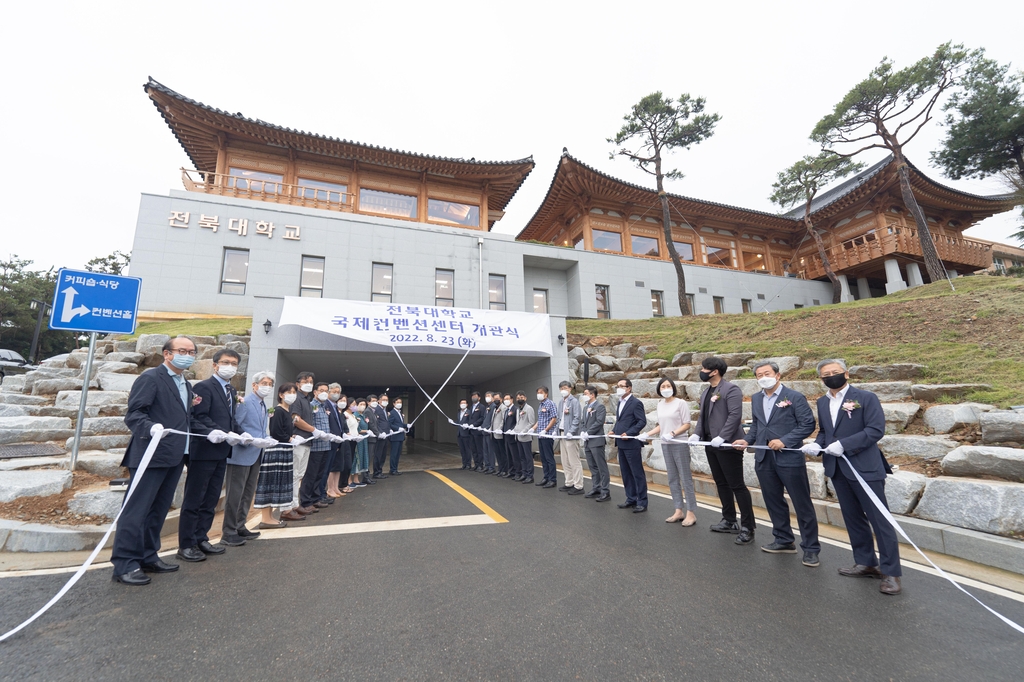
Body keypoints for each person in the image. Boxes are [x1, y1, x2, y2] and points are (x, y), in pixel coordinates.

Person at [804, 359, 902, 595]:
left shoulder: (865, 398)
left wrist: (845, 445)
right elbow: (827, 431)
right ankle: (866, 562)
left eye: (835, 372)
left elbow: (875, 430)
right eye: (826, 374)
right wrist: (817, 445)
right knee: (853, 518)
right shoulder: (822, 401)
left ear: (846, 374)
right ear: (821, 379)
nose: (831, 376)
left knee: (880, 521)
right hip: (838, 468)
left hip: (865, 467)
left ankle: (891, 573)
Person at [112, 336, 199, 585]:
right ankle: (125, 564)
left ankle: (148, 555)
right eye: (182, 350)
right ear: (167, 354)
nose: (188, 355)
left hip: (175, 456)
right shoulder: (151, 378)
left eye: (192, 351)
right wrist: (151, 428)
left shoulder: (186, 384)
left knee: (158, 510)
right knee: (136, 511)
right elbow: (135, 414)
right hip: (150, 455)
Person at [733, 360, 819, 565]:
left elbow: (808, 424)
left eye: (767, 373)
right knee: (772, 500)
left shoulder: (795, 397)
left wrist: (785, 441)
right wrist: (746, 440)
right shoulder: (756, 398)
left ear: (778, 375)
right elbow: (757, 426)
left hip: (789, 457)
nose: (763, 377)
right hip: (764, 457)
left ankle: (811, 548)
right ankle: (783, 539)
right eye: (759, 375)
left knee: (801, 503)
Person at [177, 348, 242, 562]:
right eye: (226, 362)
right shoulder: (204, 387)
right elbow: (197, 417)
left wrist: (243, 434)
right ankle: (186, 544)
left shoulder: (231, 391)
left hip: (221, 452)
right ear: (215, 365)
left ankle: (201, 537)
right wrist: (217, 432)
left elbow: (230, 421)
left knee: (211, 498)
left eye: (234, 363)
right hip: (203, 450)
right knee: (195, 498)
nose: (230, 366)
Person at [690, 356, 752, 544]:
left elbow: (735, 415)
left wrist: (722, 436)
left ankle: (748, 526)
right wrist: (697, 434)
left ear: (714, 371)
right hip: (711, 444)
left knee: (737, 485)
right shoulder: (706, 392)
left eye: (703, 368)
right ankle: (729, 520)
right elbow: (703, 417)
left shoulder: (730, 389)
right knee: (721, 482)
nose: (701, 371)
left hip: (728, 444)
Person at [220, 370, 274, 547]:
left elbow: (258, 428)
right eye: (264, 383)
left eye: (269, 384)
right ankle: (228, 531)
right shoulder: (245, 402)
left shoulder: (262, 404)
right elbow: (236, 425)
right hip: (241, 454)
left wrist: (265, 438)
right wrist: (249, 440)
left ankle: (240, 525)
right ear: (254, 385)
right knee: (235, 494)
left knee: (248, 492)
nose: (267, 387)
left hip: (256, 453)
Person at [642, 377, 695, 525]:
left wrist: (672, 434)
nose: (666, 388)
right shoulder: (660, 405)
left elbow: (687, 424)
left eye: (668, 385)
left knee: (685, 478)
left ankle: (691, 513)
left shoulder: (681, 403)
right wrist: (648, 434)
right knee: (672, 478)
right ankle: (678, 510)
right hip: (666, 444)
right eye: (663, 386)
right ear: (659, 389)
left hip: (679, 442)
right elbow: (661, 425)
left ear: (673, 387)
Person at [254, 383, 306, 527]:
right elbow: (276, 432)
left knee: (278, 485)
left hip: (284, 450)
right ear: (281, 395)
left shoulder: (287, 411)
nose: (292, 395)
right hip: (277, 451)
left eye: (294, 392)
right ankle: (265, 518)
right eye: (288, 392)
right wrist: (291, 439)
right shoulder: (278, 411)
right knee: (271, 483)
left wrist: (292, 436)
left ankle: (270, 517)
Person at [611, 379, 648, 512]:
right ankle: (631, 498)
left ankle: (642, 501)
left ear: (629, 388)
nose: (619, 388)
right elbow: (620, 421)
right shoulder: (620, 402)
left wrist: (629, 433)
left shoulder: (636, 403)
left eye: (621, 386)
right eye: (617, 386)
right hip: (621, 443)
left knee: (637, 473)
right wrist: (614, 430)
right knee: (626, 473)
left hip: (631, 443)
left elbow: (641, 421)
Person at [299, 382, 333, 511]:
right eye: (321, 390)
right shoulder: (312, 405)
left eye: (326, 390)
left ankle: (315, 498)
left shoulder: (324, 406)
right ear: (315, 392)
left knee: (319, 474)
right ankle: (306, 501)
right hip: (315, 446)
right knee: (311, 475)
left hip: (325, 445)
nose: (324, 392)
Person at [290, 371, 317, 512]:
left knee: (300, 475)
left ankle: (297, 504)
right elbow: (295, 419)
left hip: (307, 441)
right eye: (305, 382)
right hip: (298, 440)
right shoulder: (296, 398)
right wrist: (313, 429)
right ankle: (292, 506)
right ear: (297, 384)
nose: (308, 384)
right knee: (294, 475)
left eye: (311, 382)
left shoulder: (307, 399)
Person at [581, 385, 610, 502]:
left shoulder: (600, 407)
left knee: (601, 466)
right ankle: (596, 487)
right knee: (592, 466)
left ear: (592, 395)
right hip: (587, 441)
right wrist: (583, 431)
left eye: (586, 393)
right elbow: (583, 422)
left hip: (596, 441)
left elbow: (599, 422)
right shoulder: (585, 407)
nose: (584, 396)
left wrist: (588, 432)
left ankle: (605, 491)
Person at [556, 381, 584, 495]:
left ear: (570, 389)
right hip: (562, 433)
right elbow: (558, 418)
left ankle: (579, 485)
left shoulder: (574, 401)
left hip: (571, 434)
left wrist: (571, 432)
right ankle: (569, 482)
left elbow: (577, 418)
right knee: (565, 460)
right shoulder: (561, 402)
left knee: (574, 460)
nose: (563, 390)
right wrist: (556, 431)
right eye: (561, 388)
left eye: (565, 388)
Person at [324, 388, 350, 498]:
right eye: (334, 392)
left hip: (340, 441)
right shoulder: (327, 405)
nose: (336, 394)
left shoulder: (337, 410)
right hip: (332, 440)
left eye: (338, 392)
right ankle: (330, 489)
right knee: (332, 466)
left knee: (339, 466)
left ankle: (335, 487)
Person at [533, 386, 558, 488]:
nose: (539, 394)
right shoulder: (540, 405)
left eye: (541, 392)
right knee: (543, 458)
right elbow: (540, 420)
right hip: (540, 435)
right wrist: (533, 428)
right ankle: (546, 477)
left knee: (549, 458)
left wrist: (546, 430)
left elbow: (554, 418)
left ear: (546, 394)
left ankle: (552, 479)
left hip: (547, 435)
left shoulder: (550, 403)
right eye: (538, 392)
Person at [513, 391, 536, 484]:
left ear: (525, 398)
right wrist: (514, 430)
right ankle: (524, 473)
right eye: (518, 398)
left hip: (526, 437)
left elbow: (531, 422)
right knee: (521, 457)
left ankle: (530, 476)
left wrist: (524, 431)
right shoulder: (518, 409)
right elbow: (518, 422)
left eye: (521, 397)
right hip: (518, 436)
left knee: (528, 457)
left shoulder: (529, 408)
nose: (520, 399)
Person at [352, 399, 373, 486]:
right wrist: (366, 431)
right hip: (358, 440)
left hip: (364, 440)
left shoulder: (363, 416)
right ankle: (350, 480)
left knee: (361, 459)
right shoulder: (355, 415)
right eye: (361, 404)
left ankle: (356, 479)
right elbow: (356, 429)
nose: (363, 406)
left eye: (364, 404)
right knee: (355, 459)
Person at [371, 393, 390, 479]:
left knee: (383, 455)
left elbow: (385, 422)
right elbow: (377, 423)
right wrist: (380, 432)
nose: (385, 402)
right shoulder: (377, 409)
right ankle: (376, 472)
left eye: (386, 400)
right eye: (383, 400)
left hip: (386, 435)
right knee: (378, 454)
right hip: (381, 435)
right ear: (379, 401)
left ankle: (380, 471)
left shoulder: (384, 410)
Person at [388, 396, 408, 475]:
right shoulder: (392, 413)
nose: (399, 404)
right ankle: (392, 469)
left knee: (398, 454)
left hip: (400, 436)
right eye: (398, 402)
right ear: (393, 403)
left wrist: (406, 425)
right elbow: (390, 424)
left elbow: (400, 424)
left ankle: (395, 469)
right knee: (394, 454)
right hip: (395, 436)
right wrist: (397, 428)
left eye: (400, 402)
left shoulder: (399, 413)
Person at [501, 394, 520, 480]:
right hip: (506, 436)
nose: (506, 401)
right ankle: (511, 471)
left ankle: (518, 472)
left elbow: (517, 422)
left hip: (512, 436)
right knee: (509, 455)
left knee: (515, 455)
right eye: (505, 399)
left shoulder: (515, 409)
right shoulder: (506, 411)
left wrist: (513, 430)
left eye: (507, 399)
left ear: (512, 400)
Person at [491, 391, 509, 477]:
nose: (496, 400)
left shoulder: (504, 407)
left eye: (497, 399)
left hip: (500, 434)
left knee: (502, 452)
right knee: (497, 453)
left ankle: (505, 470)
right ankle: (500, 468)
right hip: (494, 433)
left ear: (501, 399)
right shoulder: (495, 408)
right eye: (494, 399)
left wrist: (499, 429)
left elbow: (503, 420)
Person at [468, 391, 486, 471]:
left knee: (479, 449)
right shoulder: (471, 407)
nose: (473, 397)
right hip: (471, 431)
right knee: (473, 449)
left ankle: (480, 465)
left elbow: (482, 418)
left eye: (475, 396)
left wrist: (474, 424)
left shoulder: (481, 407)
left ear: (479, 398)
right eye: (472, 396)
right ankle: (476, 464)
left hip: (477, 431)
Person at [481, 392, 498, 474]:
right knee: (485, 450)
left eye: (488, 396)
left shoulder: (494, 406)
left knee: (491, 450)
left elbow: (493, 419)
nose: (487, 397)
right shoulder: (486, 407)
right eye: (486, 396)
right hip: (484, 431)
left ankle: (491, 467)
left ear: (492, 397)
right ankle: (487, 465)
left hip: (489, 431)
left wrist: (490, 428)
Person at [457, 398, 473, 470]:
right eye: (461, 403)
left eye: (464, 403)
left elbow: (471, 421)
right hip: (459, 434)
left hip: (466, 434)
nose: (463, 404)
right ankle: (464, 464)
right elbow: (458, 422)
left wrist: (467, 425)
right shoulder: (459, 413)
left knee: (467, 449)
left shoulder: (469, 412)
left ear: (467, 404)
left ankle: (468, 464)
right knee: (462, 450)